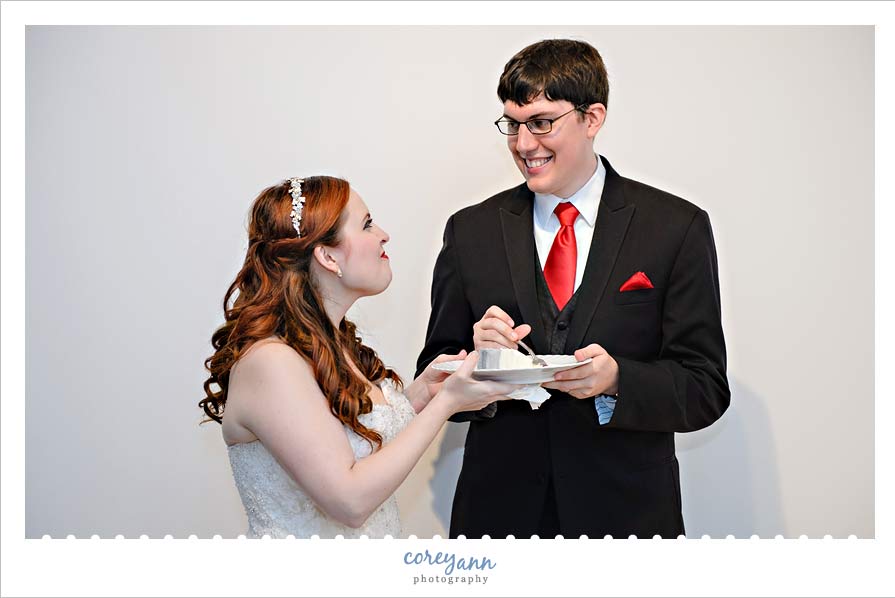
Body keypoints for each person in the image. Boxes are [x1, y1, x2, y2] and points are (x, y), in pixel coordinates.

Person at [416, 39, 730, 539]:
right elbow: (433, 377)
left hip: (627, 520)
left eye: (541, 123)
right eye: (512, 125)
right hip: (498, 520)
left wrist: (616, 381)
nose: (523, 144)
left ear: (592, 118)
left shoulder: (676, 227)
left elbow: (705, 388)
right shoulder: (470, 231)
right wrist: (478, 362)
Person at [200, 175, 517, 538]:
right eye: (367, 224)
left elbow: (353, 442)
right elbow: (349, 502)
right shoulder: (271, 362)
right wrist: (445, 404)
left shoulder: (332, 343)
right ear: (327, 256)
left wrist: (423, 394)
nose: (383, 234)